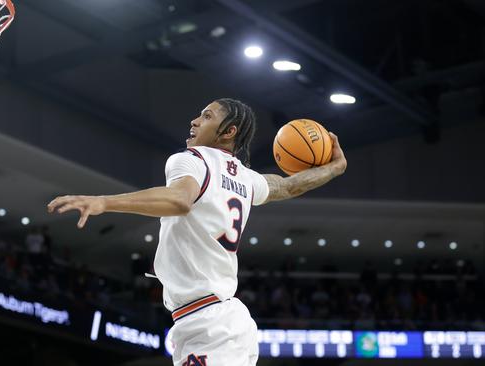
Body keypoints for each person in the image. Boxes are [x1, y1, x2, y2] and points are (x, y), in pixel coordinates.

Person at [47, 98, 347, 366]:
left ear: (229, 131)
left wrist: (103, 202)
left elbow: (179, 200)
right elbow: (288, 185)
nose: (194, 121)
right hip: (215, 321)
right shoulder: (244, 177)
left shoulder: (190, 160)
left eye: (206, 116)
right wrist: (334, 168)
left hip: (210, 321)